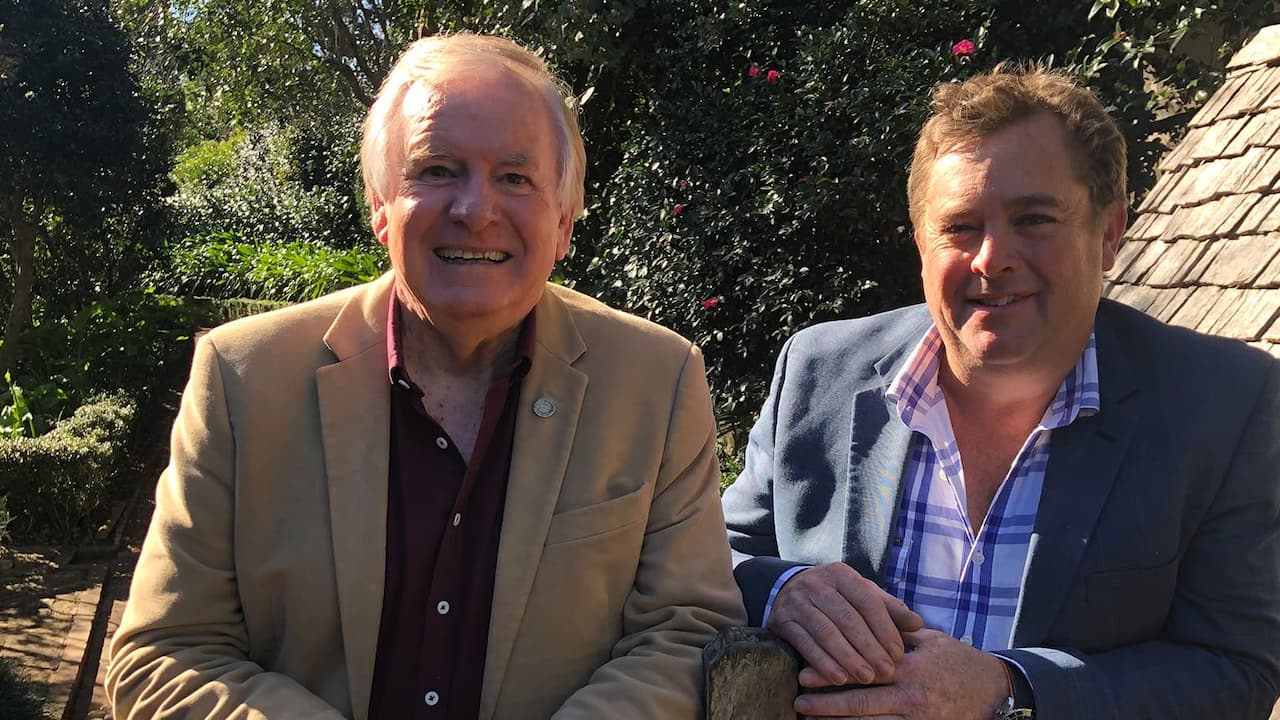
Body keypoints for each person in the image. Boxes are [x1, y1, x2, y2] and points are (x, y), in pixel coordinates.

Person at [107, 33, 745, 720]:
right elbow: (165, 653)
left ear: (564, 221)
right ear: (380, 207)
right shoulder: (244, 377)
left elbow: (685, 632)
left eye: (515, 178)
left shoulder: (657, 382)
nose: (475, 209)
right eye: (437, 170)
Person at [722, 64, 1280, 719]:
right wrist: (783, 589)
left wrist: (1010, 690)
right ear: (922, 246)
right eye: (960, 226)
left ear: (1108, 233)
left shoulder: (1224, 404)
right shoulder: (820, 373)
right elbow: (705, 559)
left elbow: (1235, 669)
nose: (992, 257)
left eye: (1034, 219)